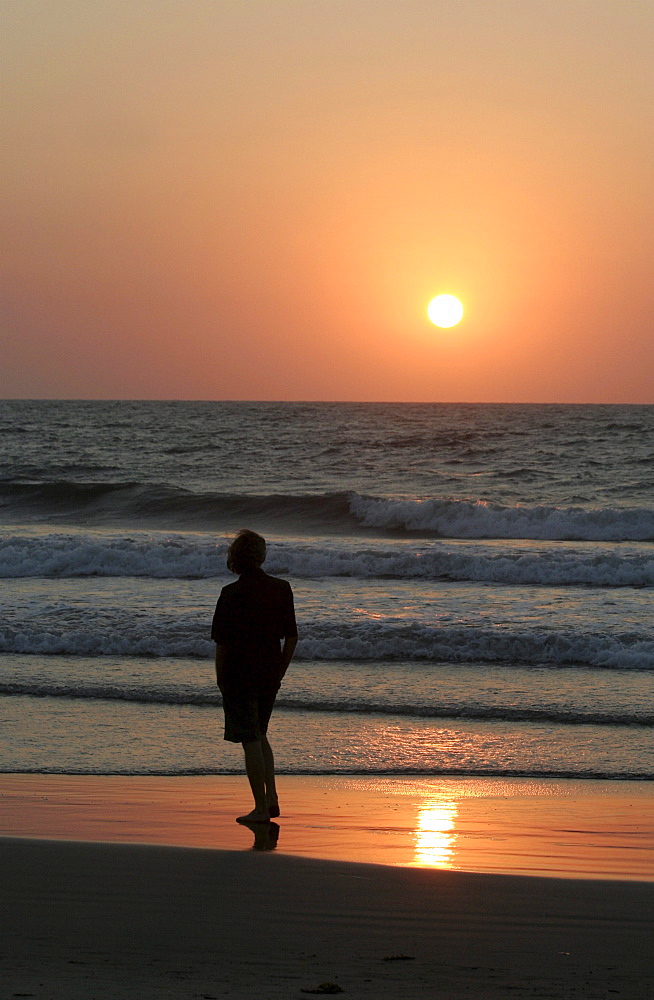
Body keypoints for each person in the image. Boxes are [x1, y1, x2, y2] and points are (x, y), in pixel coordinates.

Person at [211, 529, 297, 823]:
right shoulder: (281, 588)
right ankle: (271, 798)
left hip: (239, 673)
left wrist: (220, 678)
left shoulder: (230, 593)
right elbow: (292, 637)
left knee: (250, 738)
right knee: (260, 735)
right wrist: (280, 671)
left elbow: (222, 644)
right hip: (270, 672)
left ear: (236, 558)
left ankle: (261, 807)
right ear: (261, 556)